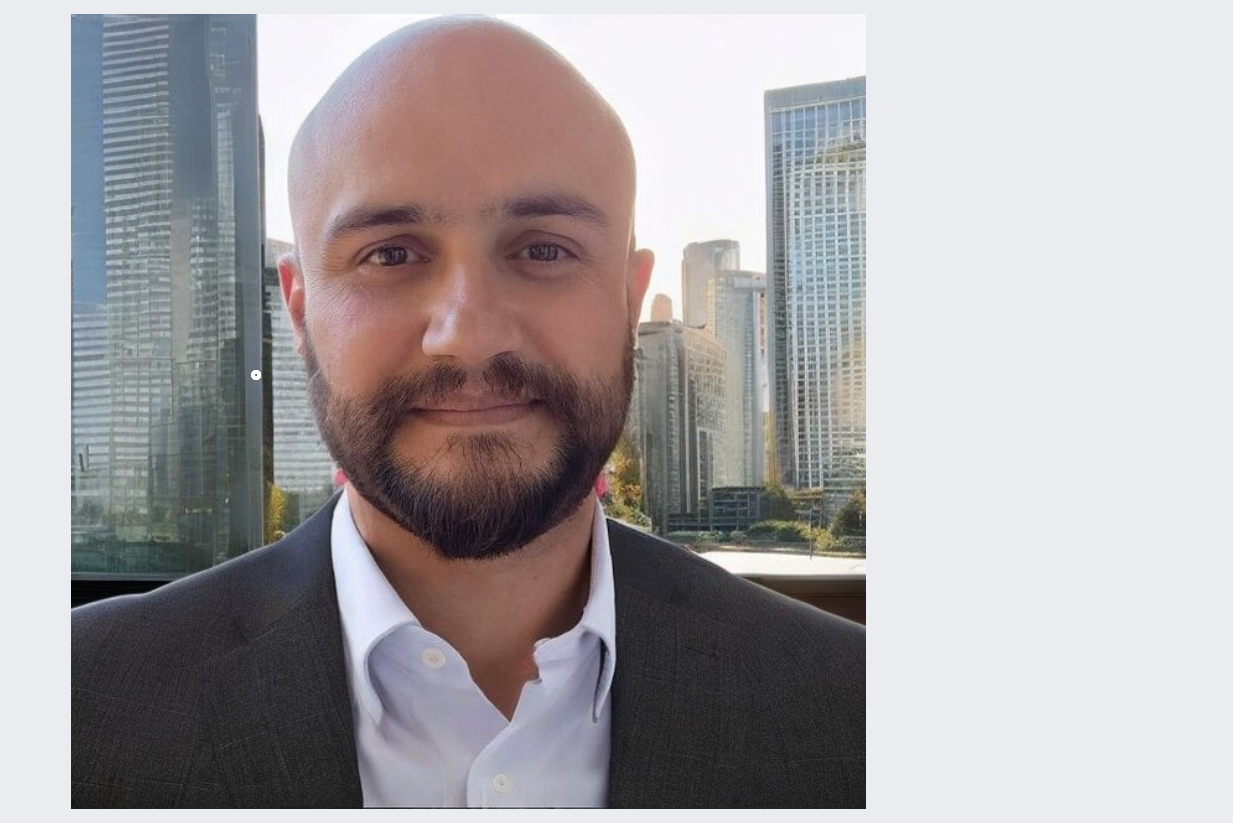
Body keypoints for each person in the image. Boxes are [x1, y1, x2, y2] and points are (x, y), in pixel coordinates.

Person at [72, 16, 864, 808]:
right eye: (390, 253)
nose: (468, 334)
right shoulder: (77, 710)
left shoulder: (854, 712)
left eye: (543, 249)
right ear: (301, 310)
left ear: (626, 296)